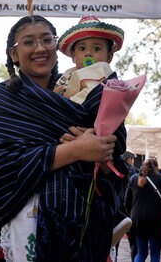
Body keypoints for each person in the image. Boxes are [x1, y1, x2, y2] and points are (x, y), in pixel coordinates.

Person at [0, 15, 126, 262]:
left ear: (57, 49)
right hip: (25, 226)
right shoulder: (3, 98)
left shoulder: (90, 95)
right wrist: (76, 151)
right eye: (28, 42)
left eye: (47, 40)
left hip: (86, 223)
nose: (39, 48)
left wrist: (102, 158)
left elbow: (117, 157)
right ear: (14, 54)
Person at [55, 15, 132, 248]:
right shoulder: (64, 82)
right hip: (70, 147)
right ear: (73, 55)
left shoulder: (110, 84)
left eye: (97, 48)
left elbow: (115, 129)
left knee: (99, 181)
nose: (89, 54)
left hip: (101, 143)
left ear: (109, 55)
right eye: (82, 48)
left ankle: (111, 218)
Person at [125, 157, 161, 262]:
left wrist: (131, 215)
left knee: (141, 253)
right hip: (155, 220)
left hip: (137, 220)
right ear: (155, 167)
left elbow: (127, 202)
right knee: (155, 253)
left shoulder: (133, 179)